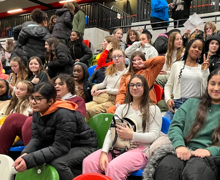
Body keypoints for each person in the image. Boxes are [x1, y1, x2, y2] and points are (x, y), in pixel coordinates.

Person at [83, 74, 162, 180]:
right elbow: (111, 132)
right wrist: (104, 152)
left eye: (138, 85)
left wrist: (131, 135)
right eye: (132, 85)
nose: (134, 87)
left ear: (145, 88)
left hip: (142, 149)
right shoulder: (122, 108)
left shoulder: (154, 109)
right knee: (89, 162)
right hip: (120, 146)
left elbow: (154, 135)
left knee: (114, 167)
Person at [13, 82, 98, 180]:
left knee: (58, 163)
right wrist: (26, 153)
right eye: (32, 98)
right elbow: (37, 138)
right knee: (34, 158)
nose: (33, 102)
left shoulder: (64, 114)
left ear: (50, 101)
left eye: (38, 98)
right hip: (63, 144)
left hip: (84, 146)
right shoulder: (38, 111)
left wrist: (29, 160)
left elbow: (61, 147)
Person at [154, 69, 220, 180]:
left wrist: (210, 151)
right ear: (207, 84)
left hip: (209, 155)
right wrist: (180, 145)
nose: (216, 88)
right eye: (212, 84)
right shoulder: (191, 103)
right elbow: (175, 126)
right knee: (167, 168)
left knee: (196, 173)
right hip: (184, 149)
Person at [0, 74, 86, 155]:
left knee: (30, 121)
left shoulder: (77, 100)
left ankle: (32, 159)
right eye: (55, 84)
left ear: (69, 86)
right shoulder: (48, 99)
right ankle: (1, 156)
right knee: (14, 118)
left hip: (59, 136)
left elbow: (76, 120)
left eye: (60, 84)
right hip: (41, 132)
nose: (56, 86)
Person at [164, 38, 209, 120]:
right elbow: (168, 85)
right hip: (177, 103)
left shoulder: (203, 68)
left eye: (200, 49)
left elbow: (205, 91)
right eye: (194, 47)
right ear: (188, 48)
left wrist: (205, 71)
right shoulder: (177, 65)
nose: (197, 50)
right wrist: (168, 99)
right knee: (167, 129)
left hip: (196, 105)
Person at [86, 49, 127, 121]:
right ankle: (89, 128)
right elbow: (103, 84)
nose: (117, 58)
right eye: (114, 57)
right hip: (104, 98)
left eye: (119, 56)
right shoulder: (110, 70)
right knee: (84, 108)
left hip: (115, 100)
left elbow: (124, 91)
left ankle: (100, 128)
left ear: (124, 58)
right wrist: (95, 86)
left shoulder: (127, 73)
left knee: (94, 110)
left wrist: (106, 90)